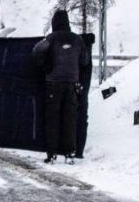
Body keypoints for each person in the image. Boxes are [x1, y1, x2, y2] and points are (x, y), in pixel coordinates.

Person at [32, 9, 91, 164]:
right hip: (72, 84)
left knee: (53, 119)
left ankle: (52, 154)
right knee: (70, 119)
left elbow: (36, 52)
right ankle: (70, 152)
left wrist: (45, 66)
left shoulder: (50, 38)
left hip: (53, 84)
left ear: (54, 23)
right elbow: (85, 60)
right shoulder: (77, 40)